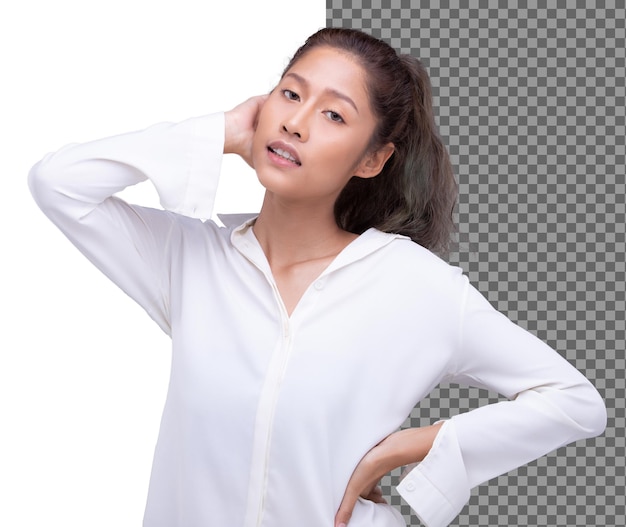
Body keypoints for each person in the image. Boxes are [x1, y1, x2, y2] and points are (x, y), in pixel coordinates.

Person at [28, 27, 606, 527]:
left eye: (334, 114)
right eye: (290, 94)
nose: (297, 123)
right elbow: (58, 183)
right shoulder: (190, 258)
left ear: (372, 160)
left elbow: (575, 402)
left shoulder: (416, 287)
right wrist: (220, 131)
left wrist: (408, 448)